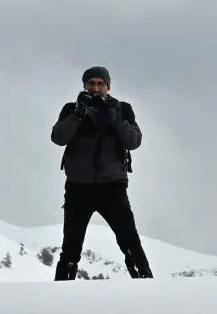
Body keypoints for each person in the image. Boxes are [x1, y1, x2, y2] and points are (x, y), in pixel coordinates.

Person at [49, 66, 152, 280]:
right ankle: (60, 293)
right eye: (91, 83)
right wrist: (78, 114)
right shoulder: (71, 109)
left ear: (108, 86)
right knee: (71, 247)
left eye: (100, 83)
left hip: (112, 187)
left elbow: (134, 141)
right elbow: (58, 138)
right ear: (84, 85)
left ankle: (146, 285)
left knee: (130, 241)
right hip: (78, 188)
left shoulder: (122, 109)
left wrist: (113, 119)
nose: (95, 88)